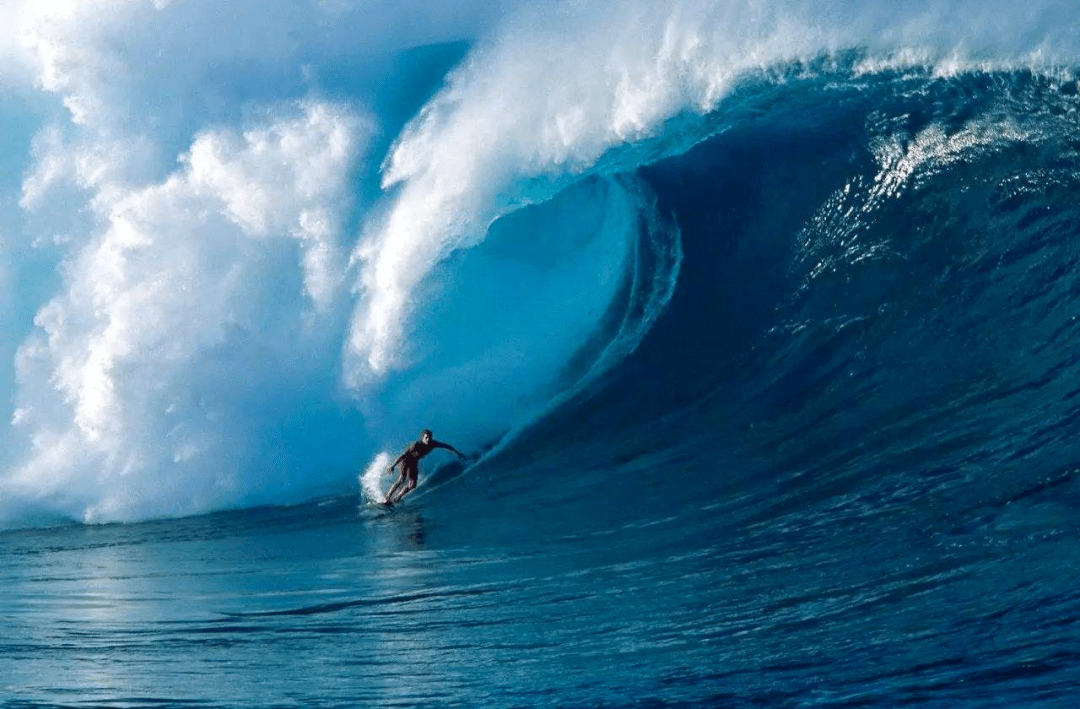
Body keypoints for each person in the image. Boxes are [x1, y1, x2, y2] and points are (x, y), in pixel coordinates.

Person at [385, 429, 466, 504]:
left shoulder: (433, 444)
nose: (428, 439)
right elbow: (403, 455)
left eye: (429, 437)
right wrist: (393, 465)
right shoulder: (415, 445)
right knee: (402, 478)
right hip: (405, 461)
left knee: (412, 485)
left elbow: (447, 446)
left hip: (413, 463)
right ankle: (388, 496)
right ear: (422, 438)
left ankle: (398, 496)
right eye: (426, 438)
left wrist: (458, 453)